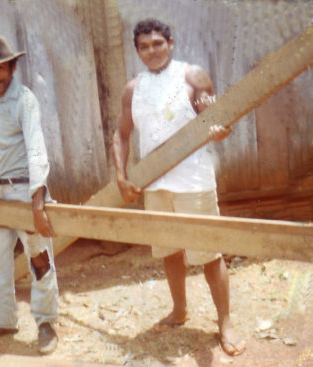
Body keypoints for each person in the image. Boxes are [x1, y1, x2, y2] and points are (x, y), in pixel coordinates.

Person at [112, 19, 246, 356]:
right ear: (137, 51)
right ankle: (179, 310)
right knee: (169, 250)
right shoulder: (133, 89)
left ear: (170, 42)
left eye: (158, 43)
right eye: (144, 46)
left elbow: (214, 116)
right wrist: (120, 174)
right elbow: (122, 134)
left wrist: (219, 130)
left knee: (209, 253)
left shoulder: (192, 76)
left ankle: (225, 323)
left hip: (193, 180)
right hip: (155, 184)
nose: (152, 51)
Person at [0, 36, 59, 355]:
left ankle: (46, 323)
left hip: (22, 190)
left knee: (38, 257)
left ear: (13, 67)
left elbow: (35, 148)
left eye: (0, 70)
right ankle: (4, 319)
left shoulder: (24, 100)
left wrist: (38, 201)